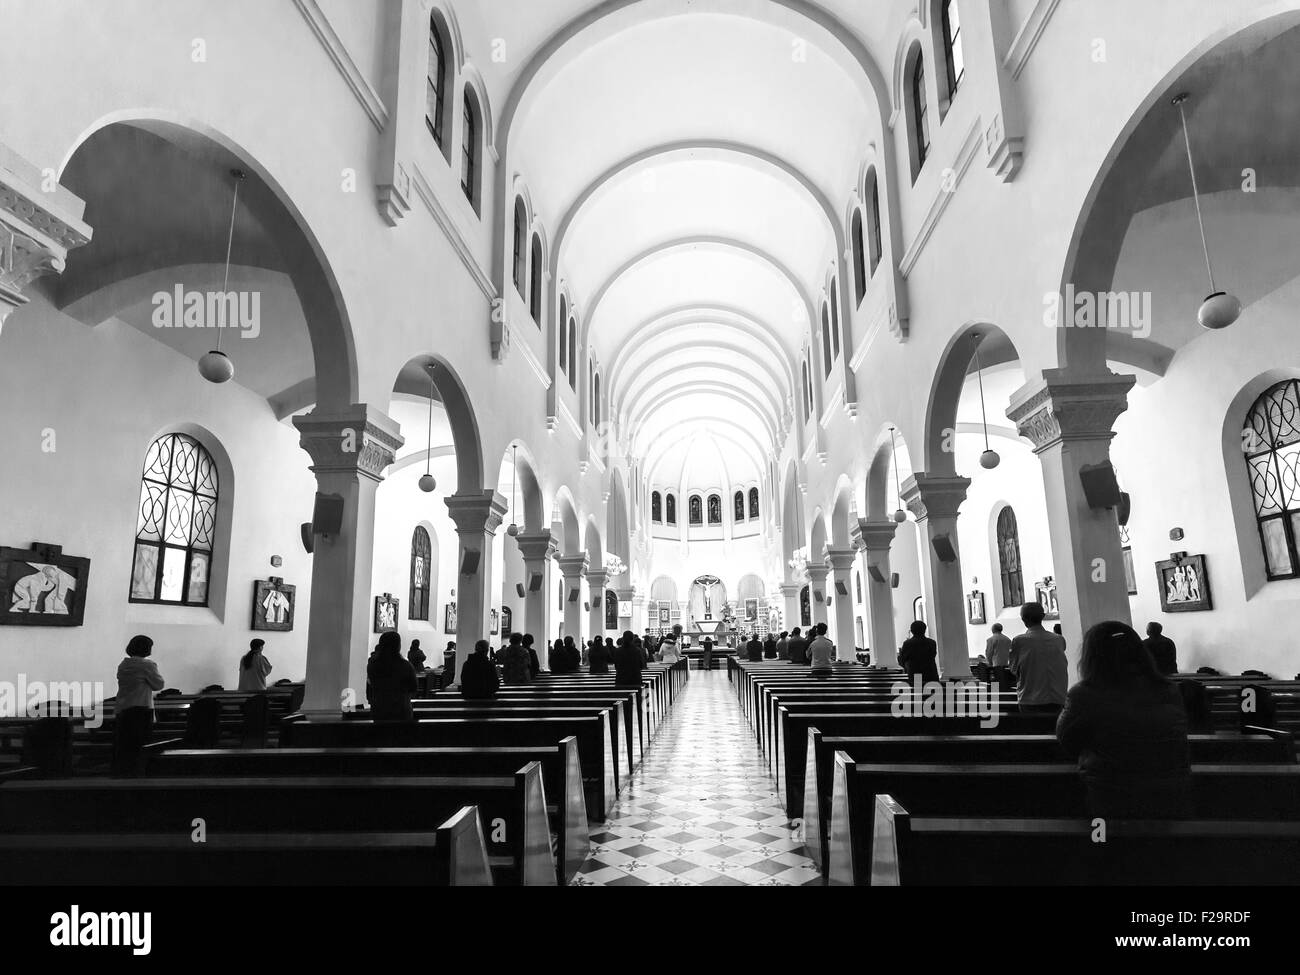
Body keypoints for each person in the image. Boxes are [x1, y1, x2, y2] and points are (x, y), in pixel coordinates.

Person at [1056, 621, 1191, 818]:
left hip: (1111, 792)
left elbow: (1067, 742)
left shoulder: (1084, 694)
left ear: (1092, 656)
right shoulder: (1168, 690)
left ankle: (1099, 843)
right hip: (1172, 790)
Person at [112, 635, 164, 776]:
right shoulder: (147, 665)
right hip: (141, 710)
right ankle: (140, 775)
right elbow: (158, 684)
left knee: (125, 746)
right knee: (140, 747)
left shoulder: (123, 664)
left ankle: (122, 773)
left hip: (123, 708)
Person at [1008, 601, 1068, 713]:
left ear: (1023, 619)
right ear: (1043, 616)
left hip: (1030, 698)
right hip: (1058, 697)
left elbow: (1013, 669)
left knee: (1034, 729)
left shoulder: (1019, 641)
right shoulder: (1058, 639)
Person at [367, 631, 417, 721]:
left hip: (379, 708)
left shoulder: (373, 664)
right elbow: (413, 687)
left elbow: (371, 684)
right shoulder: (405, 665)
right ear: (398, 646)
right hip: (402, 709)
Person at [898, 620, 939, 684]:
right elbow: (933, 655)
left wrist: (906, 668)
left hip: (914, 674)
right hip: (931, 674)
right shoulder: (932, 643)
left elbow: (902, 659)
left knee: (917, 692)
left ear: (911, 631)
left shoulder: (907, 643)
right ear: (924, 630)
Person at [985, 623, 1013, 691]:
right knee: (1005, 685)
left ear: (993, 629)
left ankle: (997, 697)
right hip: (1006, 664)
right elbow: (1011, 652)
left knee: (996, 685)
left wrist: (989, 663)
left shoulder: (991, 639)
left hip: (995, 665)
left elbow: (989, 653)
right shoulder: (1007, 639)